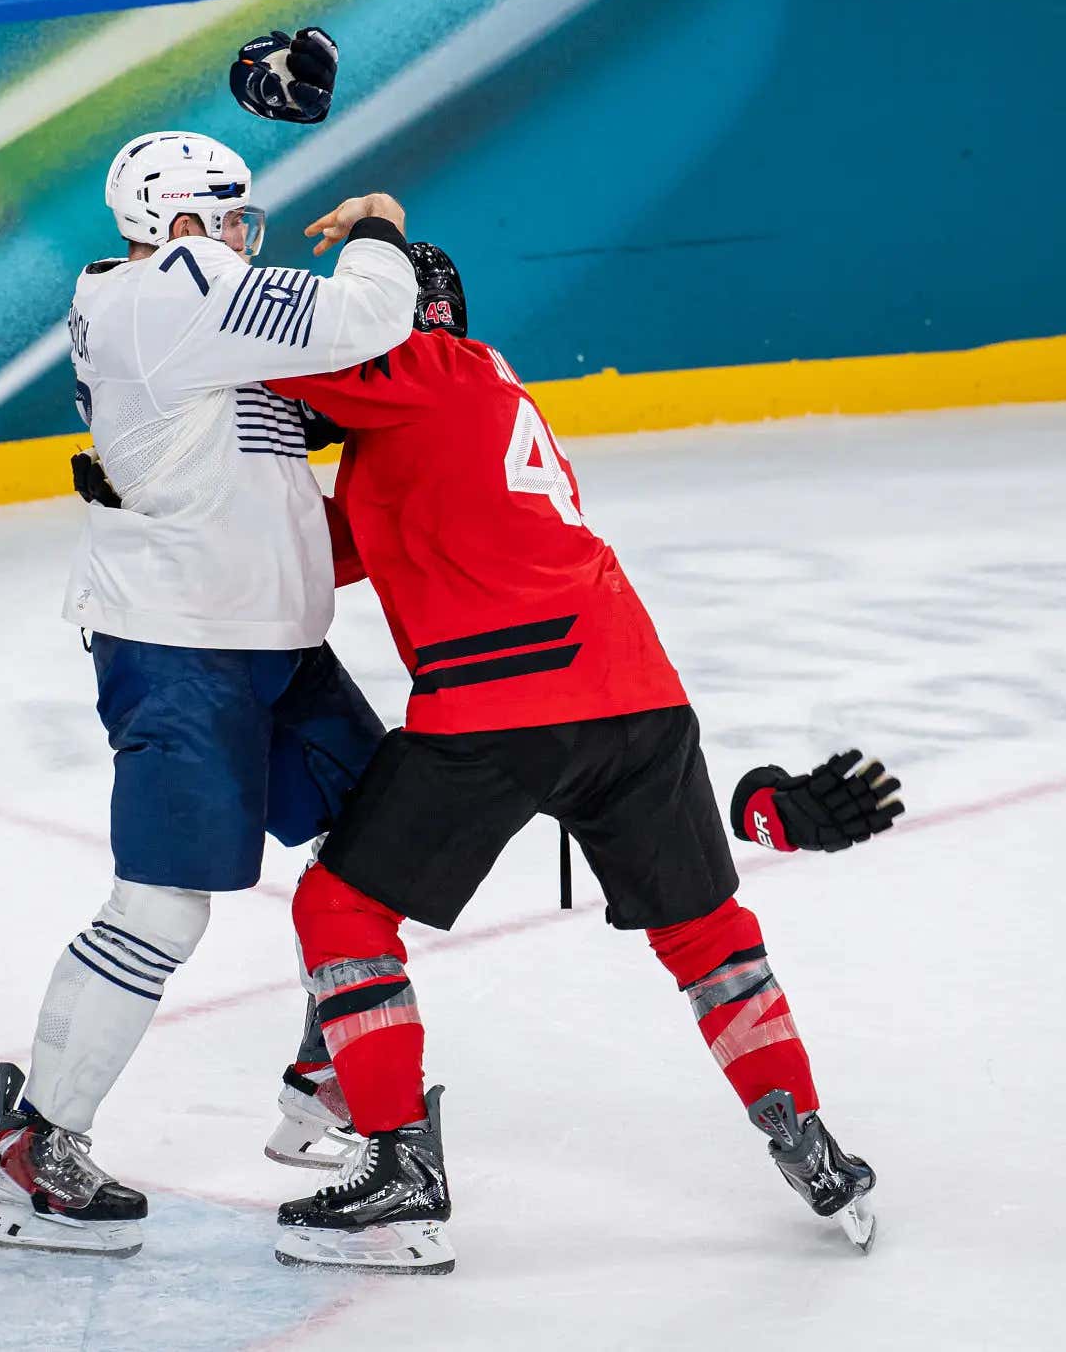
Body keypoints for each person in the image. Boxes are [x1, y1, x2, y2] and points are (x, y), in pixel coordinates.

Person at [259, 246, 904, 1273]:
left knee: (338, 909)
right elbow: (306, 557)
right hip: (635, 694)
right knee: (705, 936)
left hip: (498, 705)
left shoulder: (436, 369)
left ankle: (398, 1178)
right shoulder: (443, 417)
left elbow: (259, 346)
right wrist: (157, 512)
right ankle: (805, 1143)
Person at [0, 126, 420, 1259]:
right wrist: (375, 234)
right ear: (177, 224)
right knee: (164, 904)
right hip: (178, 646)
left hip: (263, 639)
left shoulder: (171, 302)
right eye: (230, 219)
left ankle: (325, 1083)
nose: (242, 239)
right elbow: (365, 316)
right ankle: (40, 1146)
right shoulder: (170, 290)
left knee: (381, 846)